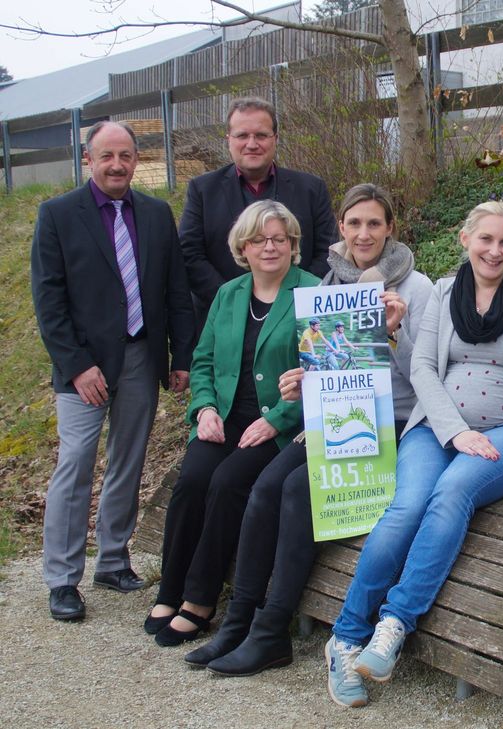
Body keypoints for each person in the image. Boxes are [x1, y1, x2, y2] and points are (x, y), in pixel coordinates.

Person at [324, 200, 503, 708]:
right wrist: (455, 431)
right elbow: (421, 368)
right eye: (485, 239)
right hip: (437, 428)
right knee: (404, 509)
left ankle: (394, 625)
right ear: (466, 240)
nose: (495, 250)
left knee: (453, 491)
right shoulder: (443, 294)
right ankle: (346, 637)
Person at [182, 183, 432, 677]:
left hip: (395, 422)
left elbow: (427, 372)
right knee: (265, 487)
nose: (363, 233)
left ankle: (273, 629)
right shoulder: (326, 287)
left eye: (374, 223)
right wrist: (301, 381)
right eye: (354, 223)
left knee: (300, 490)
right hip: (336, 416)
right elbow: (325, 366)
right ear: (340, 228)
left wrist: (395, 334)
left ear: (389, 230)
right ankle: (239, 623)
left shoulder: (416, 288)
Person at [31, 121, 195, 621]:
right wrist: (77, 366)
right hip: (84, 365)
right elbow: (49, 300)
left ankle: (113, 559)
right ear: (89, 159)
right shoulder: (58, 215)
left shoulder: (155, 213)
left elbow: (174, 289)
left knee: (128, 458)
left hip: (141, 356)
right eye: (107, 156)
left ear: (136, 157)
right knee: (76, 463)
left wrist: (180, 357)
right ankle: (62, 577)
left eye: (126, 155)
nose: (117, 164)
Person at [146, 200, 319, 646]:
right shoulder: (229, 294)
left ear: (293, 245)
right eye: (260, 239)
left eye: (280, 238)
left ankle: (200, 600)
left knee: (226, 483)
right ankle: (171, 587)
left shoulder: (311, 294)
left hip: (276, 427)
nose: (270, 247)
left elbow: (326, 378)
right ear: (243, 245)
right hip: (223, 419)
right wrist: (203, 409)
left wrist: (277, 421)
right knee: (192, 480)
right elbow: (202, 361)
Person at [179, 96, 335, 328]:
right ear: (229, 140)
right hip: (224, 320)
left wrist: (295, 300)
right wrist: (233, 301)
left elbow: (327, 252)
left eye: (261, 135)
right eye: (242, 135)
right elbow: (190, 254)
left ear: (276, 139)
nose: (252, 143)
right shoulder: (202, 191)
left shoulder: (311, 189)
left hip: (296, 320)